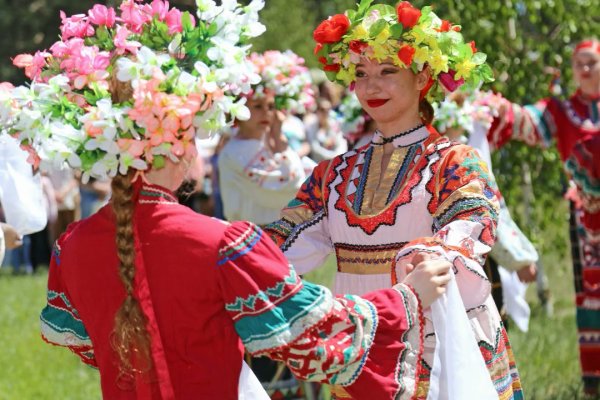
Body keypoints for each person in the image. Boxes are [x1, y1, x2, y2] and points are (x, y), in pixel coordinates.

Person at [1, 1, 452, 398]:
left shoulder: (73, 245)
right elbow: (318, 333)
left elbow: (87, 344)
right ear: (178, 145)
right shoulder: (220, 244)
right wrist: (407, 297)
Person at [265, 1, 522, 398]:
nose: (370, 87)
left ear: (422, 76)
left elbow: (468, 231)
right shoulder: (333, 174)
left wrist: (426, 262)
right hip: (365, 347)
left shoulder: (455, 162)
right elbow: (278, 249)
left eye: (387, 72)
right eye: (362, 74)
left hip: (440, 347)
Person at [487, 37, 600, 395]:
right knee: (593, 297)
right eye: (578, 63)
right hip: (588, 217)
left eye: (591, 62)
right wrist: (487, 104)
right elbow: (526, 122)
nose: (584, 69)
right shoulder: (562, 111)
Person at [433, 90, 540, 330]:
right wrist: (519, 259)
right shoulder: (458, 161)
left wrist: (519, 258)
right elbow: (485, 207)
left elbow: (487, 205)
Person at [218, 50, 310, 226]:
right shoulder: (237, 151)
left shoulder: (262, 144)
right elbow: (292, 185)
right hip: (253, 236)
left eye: (270, 106)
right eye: (257, 106)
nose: (266, 113)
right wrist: (278, 138)